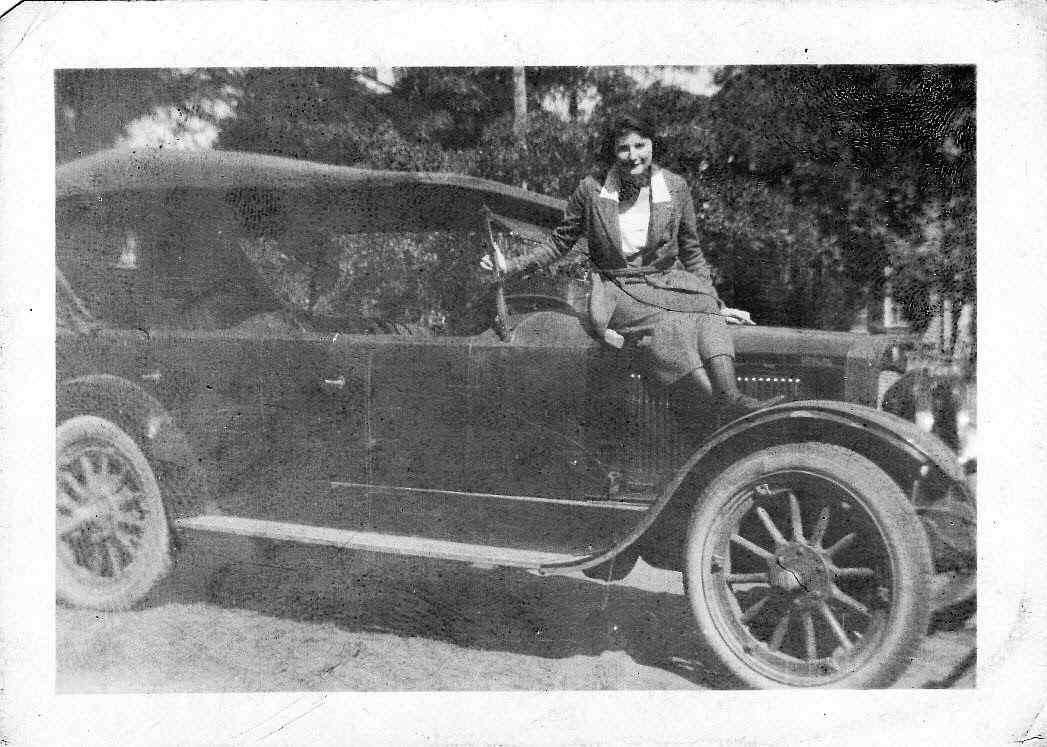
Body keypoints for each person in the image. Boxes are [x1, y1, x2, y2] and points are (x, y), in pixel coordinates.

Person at [481, 114, 782, 415]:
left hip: (667, 283)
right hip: (618, 289)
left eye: (640, 145)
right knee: (671, 324)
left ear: (653, 145)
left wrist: (716, 302)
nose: (633, 155)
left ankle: (730, 398)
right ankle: (717, 408)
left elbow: (691, 252)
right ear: (612, 151)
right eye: (623, 148)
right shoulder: (591, 190)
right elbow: (559, 243)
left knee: (707, 311)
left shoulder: (675, 187)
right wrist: (510, 265)